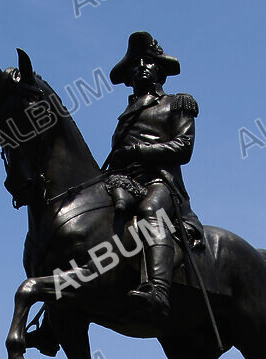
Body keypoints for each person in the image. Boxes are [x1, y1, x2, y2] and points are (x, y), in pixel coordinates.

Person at [105, 31, 204, 317]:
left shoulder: (178, 103)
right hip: (126, 184)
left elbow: (184, 147)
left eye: (148, 62)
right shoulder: (126, 115)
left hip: (161, 184)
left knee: (151, 210)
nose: (141, 67)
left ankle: (159, 289)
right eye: (136, 63)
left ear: (160, 68)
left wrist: (137, 150)